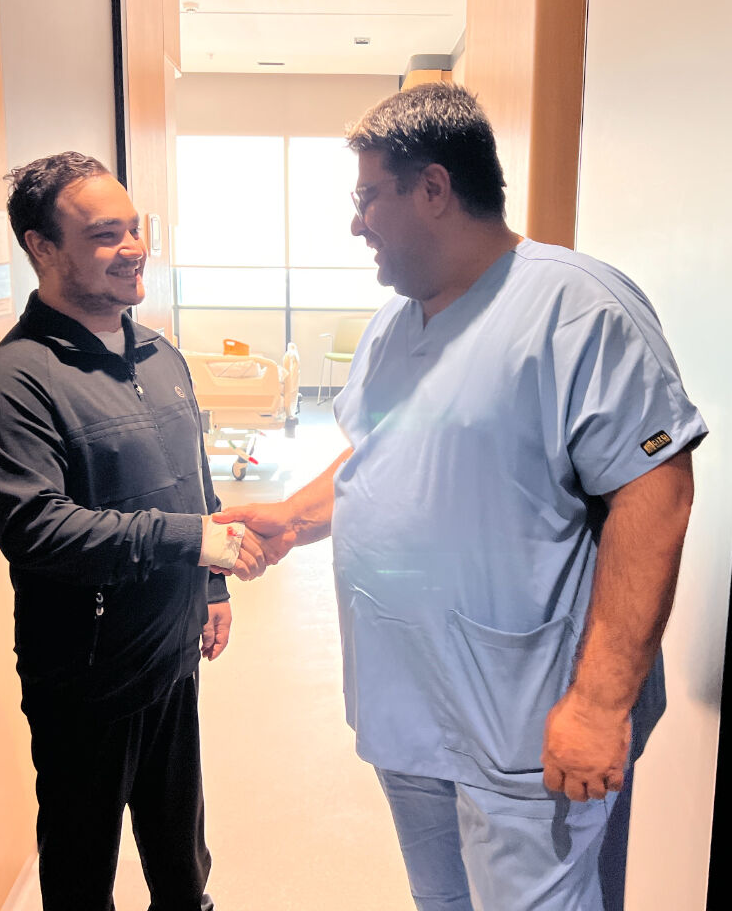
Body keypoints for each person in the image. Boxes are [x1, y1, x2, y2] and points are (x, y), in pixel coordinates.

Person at [216, 84, 706, 910]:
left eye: (368, 197)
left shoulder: (579, 311)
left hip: (524, 716)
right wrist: (293, 518)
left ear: (434, 189)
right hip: (407, 702)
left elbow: (655, 493)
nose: (357, 223)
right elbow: (382, 453)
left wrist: (599, 703)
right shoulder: (393, 325)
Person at [0, 152, 265, 911]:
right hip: (85, 678)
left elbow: (194, 481)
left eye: (135, 229)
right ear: (42, 247)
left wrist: (212, 588)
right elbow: (37, 529)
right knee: (80, 871)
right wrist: (188, 541)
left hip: (171, 654)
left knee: (182, 860)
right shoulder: (17, 381)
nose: (133, 249)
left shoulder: (160, 355)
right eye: (104, 235)